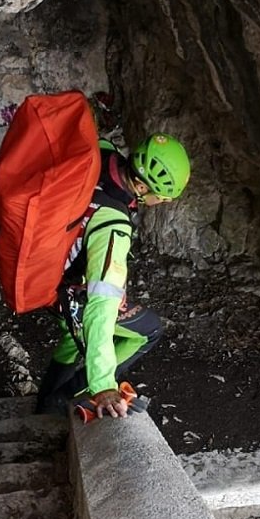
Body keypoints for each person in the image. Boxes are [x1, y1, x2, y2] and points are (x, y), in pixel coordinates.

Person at [35, 132, 191, 418]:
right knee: (149, 331)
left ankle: (44, 403)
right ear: (142, 187)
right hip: (66, 293)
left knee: (73, 337)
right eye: (162, 198)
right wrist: (104, 385)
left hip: (44, 272)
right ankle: (69, 398)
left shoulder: (101, 153)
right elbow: (101, 306)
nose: (162, 203)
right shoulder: (113, 226)